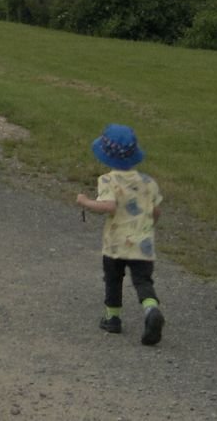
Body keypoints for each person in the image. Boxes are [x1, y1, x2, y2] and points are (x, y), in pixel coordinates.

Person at [75, 123, 165, 345]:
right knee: (143, 280)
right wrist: (149, 226)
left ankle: (112, 318)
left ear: (106, 155)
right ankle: (151, 309)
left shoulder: (108, 180)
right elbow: (156, 211)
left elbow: (109, 206)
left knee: (113, 279)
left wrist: (85, 202)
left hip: (116, 244)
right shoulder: (148, 182)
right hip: (143, 244)